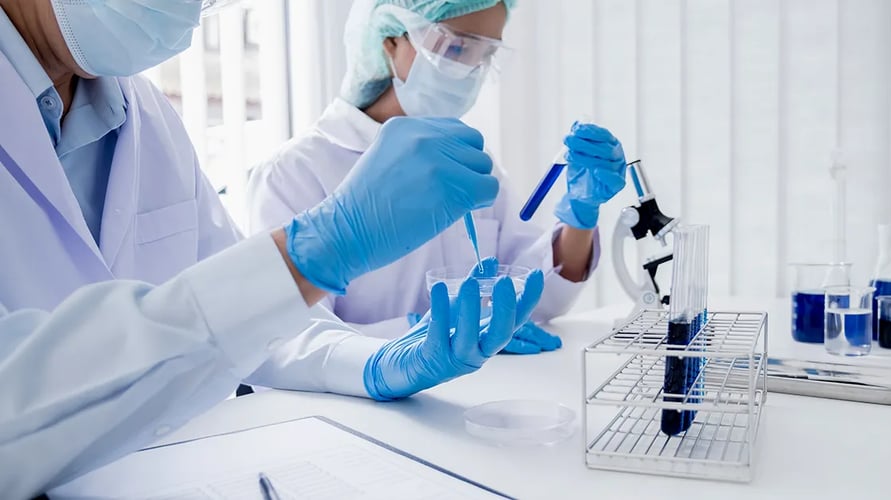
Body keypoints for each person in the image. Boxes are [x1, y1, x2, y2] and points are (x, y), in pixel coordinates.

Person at [0, 1, 540, 497]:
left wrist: (372, 362)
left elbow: (248, 318)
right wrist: (318, 250)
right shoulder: (295, 165)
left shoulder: (142, 112)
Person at [247, 0, 627, 354]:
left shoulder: (469, 159)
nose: (472, 70)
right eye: (457, 47)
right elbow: (293, 343)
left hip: (477, 391)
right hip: (352, 402)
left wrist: (580, 215)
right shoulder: (294, 173)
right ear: (390, 40)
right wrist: (425, 332)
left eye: (486, 54)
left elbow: (531, 299)